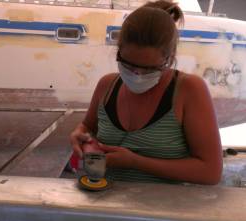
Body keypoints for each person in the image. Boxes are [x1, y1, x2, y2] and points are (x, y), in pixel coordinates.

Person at [70, 0, 222, 185]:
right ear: (118, 51)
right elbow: (88, 127)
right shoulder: (107, 86)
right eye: (128, 64)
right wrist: (80, 133)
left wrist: (136, 162)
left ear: (169, 58)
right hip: (105, 204)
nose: (137, 74)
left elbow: (210, 172)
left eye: (149, 69)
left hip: (158, 211)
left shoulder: (188, 90)